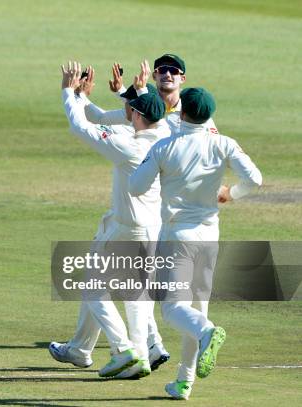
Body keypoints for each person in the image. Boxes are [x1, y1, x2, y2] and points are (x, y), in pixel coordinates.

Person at [129, 88, 262, 399]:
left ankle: (208, 333)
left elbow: (135, 187)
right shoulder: (223, 143)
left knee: (174, 309)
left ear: (182, 113)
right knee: (196, 310)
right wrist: (231, 193)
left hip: (177, 238)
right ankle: (184, 381)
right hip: (209, 237)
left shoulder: (165, 146)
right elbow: (254, 179)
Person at [50, 61, 169, 379]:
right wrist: (85, 98)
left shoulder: (129, 146)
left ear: (140, 115)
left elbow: (82, 128)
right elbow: (115, 119)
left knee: (92, 288)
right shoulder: (164, 134)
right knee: (138, 296)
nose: (127, 112)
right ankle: (134, 356)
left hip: (126, 230)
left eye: (131, 109)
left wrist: (67, 92)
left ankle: (122, 349)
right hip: (153, 229)